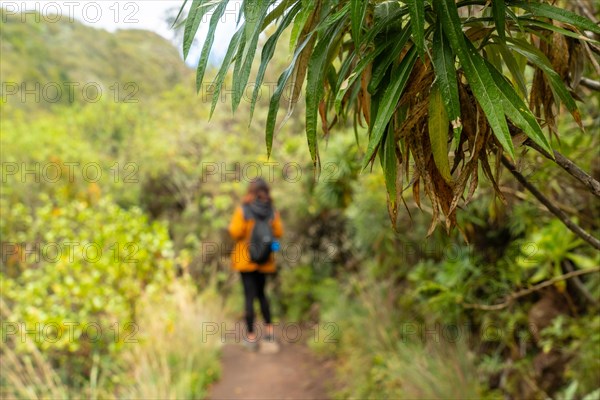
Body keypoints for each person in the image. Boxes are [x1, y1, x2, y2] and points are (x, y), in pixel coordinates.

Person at [228, 178, 283, 350]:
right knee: (263, 295)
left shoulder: (243, 210)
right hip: (265, 261)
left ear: (250, 190)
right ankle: (269, 332)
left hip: (245, 261)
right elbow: (279, 232)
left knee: (249, 297)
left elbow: (235, 231)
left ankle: (251, 337)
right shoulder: (272, 211)